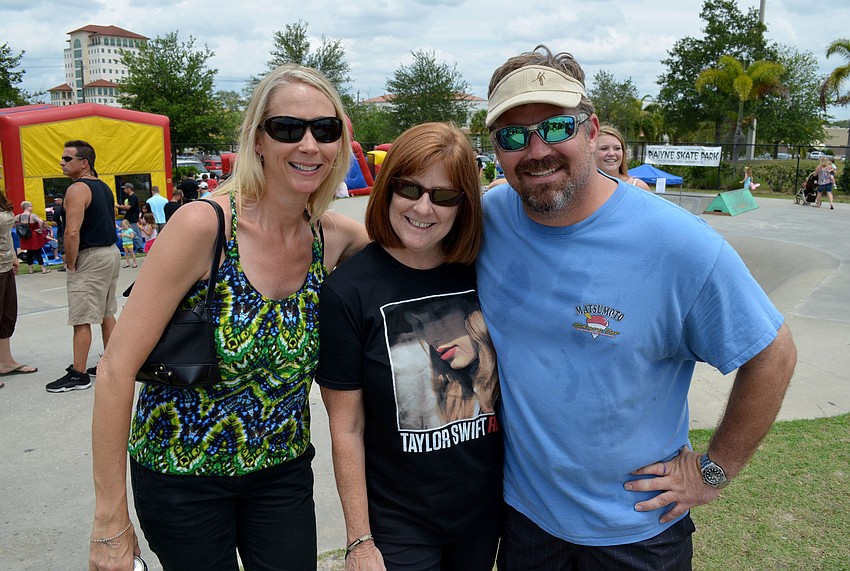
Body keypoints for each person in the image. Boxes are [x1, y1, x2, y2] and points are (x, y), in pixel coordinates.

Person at [476, 45, 797, 570]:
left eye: (556, 127)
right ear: (496, 149)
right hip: (525, 522)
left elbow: (773, 353)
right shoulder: (488, 219)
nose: (536, 150)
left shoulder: (679, 243)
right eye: (513, 136)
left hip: (639, 530)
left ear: (590, 130)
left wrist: (714, 470)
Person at [89, 63, 369, 571]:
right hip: (182, 477)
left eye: (325, 130)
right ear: (258, 139)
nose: (309, 145)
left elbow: (410, 264)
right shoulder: (204, 226)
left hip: (281, 471)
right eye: (288, 128)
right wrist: (110, 523)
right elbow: (114, 370)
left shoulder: (333, 238)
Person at [318, 122, 502, 571]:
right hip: (399, 523)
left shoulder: (485, 271)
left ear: (464, 204)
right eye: (409, 188)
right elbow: (346, 427)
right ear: (388, 189)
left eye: (444, 195)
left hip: (484, 514)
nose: (423, 207)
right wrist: (359, 540)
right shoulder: (348, 291)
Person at [46, 140, 121, 393]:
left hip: (90, 256)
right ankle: (111, 363)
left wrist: (70, 262)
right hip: (110, 253)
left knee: (82, 316)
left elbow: (72, 231)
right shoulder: (103, 186)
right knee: (106, 312)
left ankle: (79, 374)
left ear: (84, 163)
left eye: (68, 159)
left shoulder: (78, 189)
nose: (62, 163)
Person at [0, 185, 38, 387]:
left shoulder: (1, 200)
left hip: (5, 264)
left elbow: (6, 233)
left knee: (7, 314)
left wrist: (14, 256)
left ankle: (5, 362)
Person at [594, 125, 651, 191]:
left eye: (617, 148)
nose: (611, 153)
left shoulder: (638, 187)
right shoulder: (585, 189)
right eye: (604, 148)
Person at [14, 201, 51, 273]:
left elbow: (13, 222)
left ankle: (30, 269)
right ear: (27, 207)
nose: (32, 207)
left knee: (29, 252)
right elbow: (41, 221)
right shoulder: (33, 216)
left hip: (25, 236)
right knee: (37, 252)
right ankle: (43, 268)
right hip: (34, 235)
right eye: (31, 206)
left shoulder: (18, 216)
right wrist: (40, 229)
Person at [116, 183, 143, 252]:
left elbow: (128, 207)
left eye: (125, 189)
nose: (124, 190)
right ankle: (131, 246)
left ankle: (139, 247)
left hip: (132, 218)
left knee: (135, 232)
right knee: (129, 232)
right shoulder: (128, 197)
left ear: (129, 189)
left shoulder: (134, 197)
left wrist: (118, 206)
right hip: (128, 217)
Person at [53, 194, 66, 270]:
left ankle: (65, 265)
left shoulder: (58, 209)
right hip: (72, 229)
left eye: (55, 200)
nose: (55, 202)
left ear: (60, 200)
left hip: (62, 231)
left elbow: (54, 222)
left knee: (63, 249)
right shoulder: (70, 207)